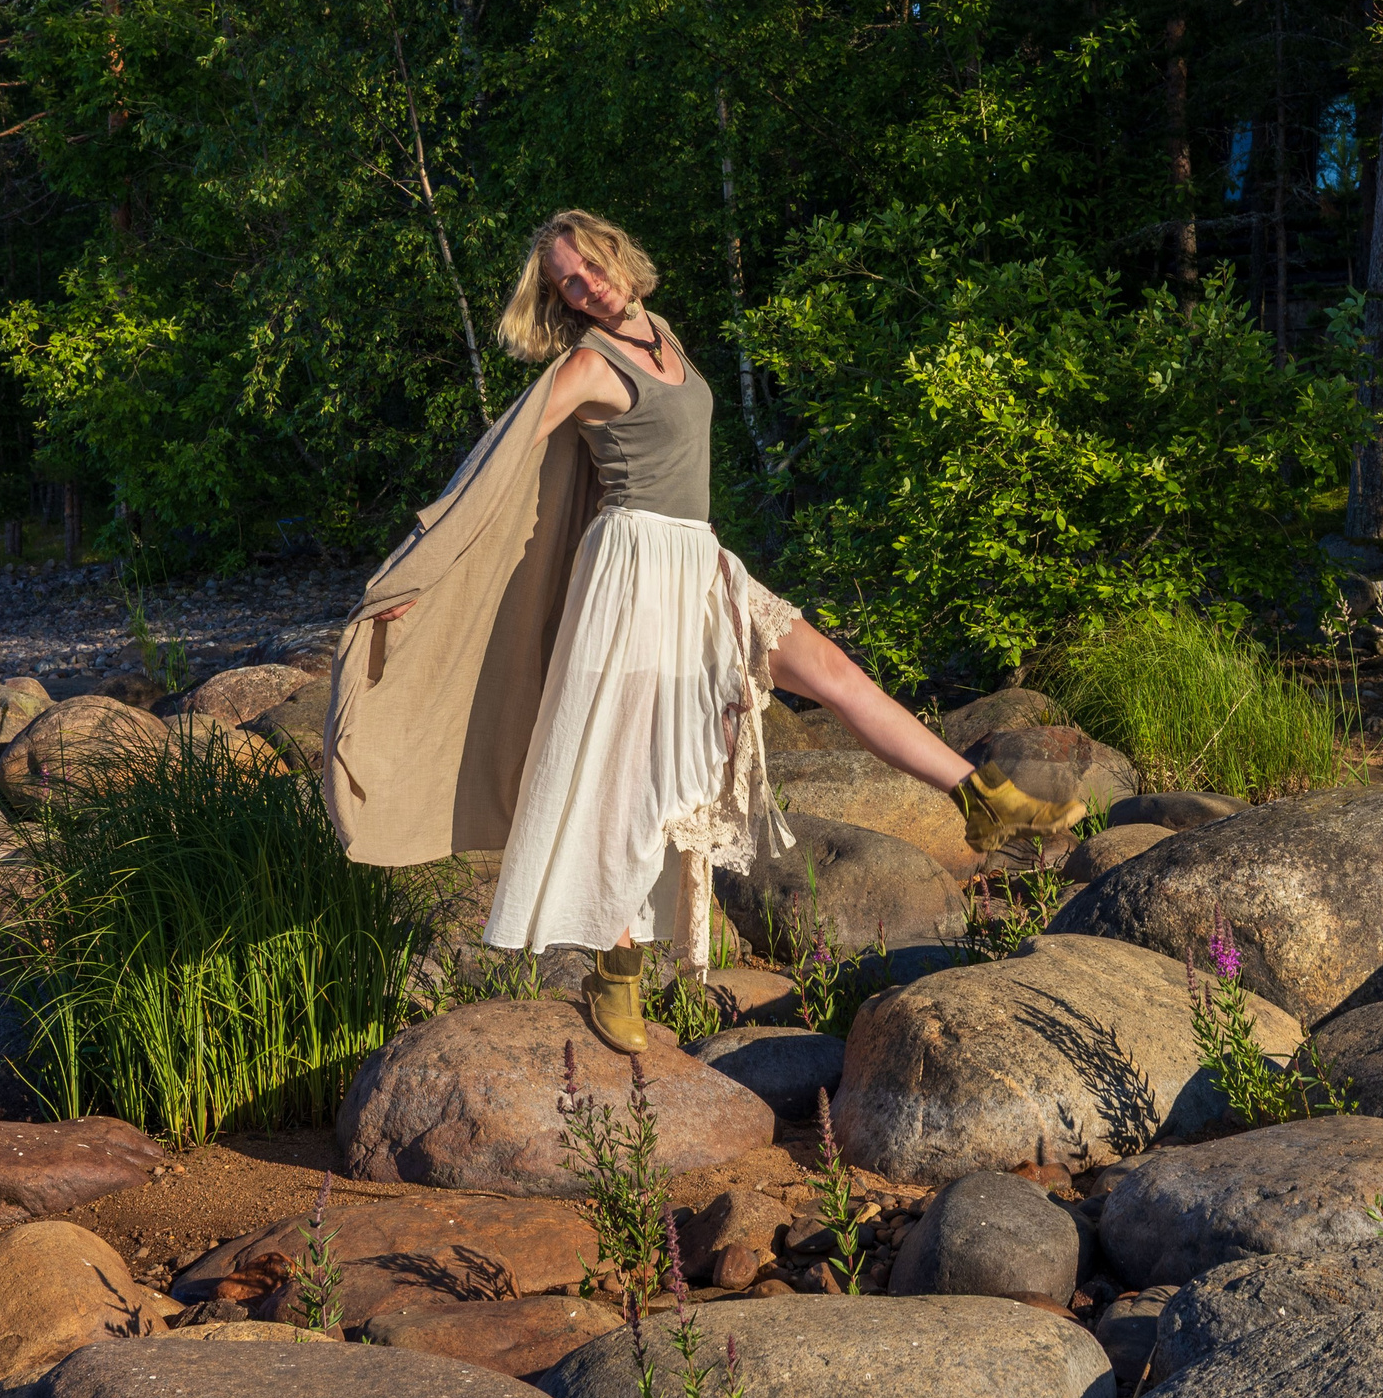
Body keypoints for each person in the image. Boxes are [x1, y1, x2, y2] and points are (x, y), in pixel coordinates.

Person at [323, 210, 1081, 1053]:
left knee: (831, 669)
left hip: (702, 561)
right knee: (624, 768)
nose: (585, 287)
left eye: (590, 268)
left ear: (618, 254)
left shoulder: (662, 333)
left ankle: (986, 802)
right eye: (567, 283)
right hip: (634, 573)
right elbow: (497, 460)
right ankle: (615, 973)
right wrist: (417, 571)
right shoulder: (585, 363)